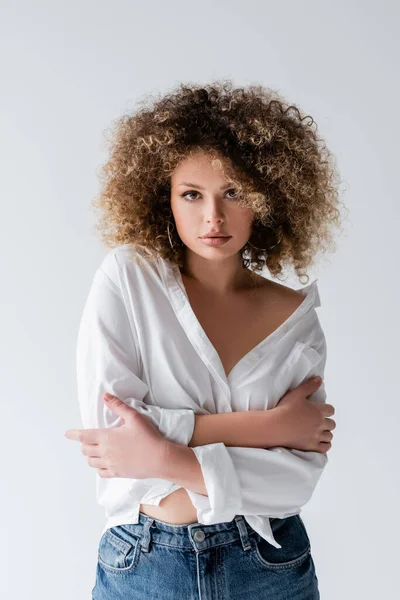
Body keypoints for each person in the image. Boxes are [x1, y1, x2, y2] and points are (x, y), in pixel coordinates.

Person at [67, 80, 342, 599]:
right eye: (191, 194)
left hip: (268, 566)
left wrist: (163, 455)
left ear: (266, 197)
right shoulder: (128, 279)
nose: (212, 216)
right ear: (162, 198)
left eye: (233, 193)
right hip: (145, 563)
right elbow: (113, 439)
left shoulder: (296, 317)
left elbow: (295, 481)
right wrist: (271, 427)